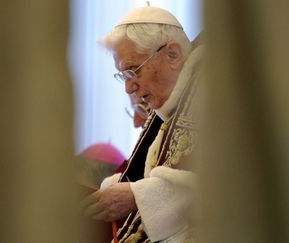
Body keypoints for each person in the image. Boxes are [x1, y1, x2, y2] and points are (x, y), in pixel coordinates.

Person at [82, 6, 202, 242]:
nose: (129, 87)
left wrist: (137, 196)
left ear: (173, 55)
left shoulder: (210, 93)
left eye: (133, 71)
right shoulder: (169, 111)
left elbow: (226, 184)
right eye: (124, 77)